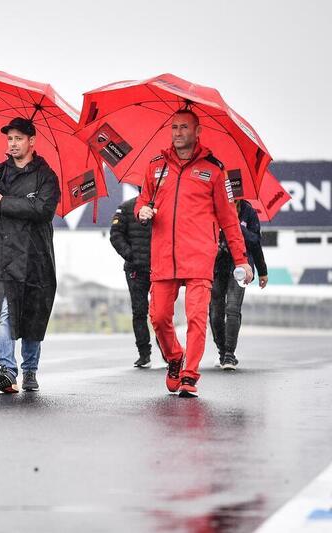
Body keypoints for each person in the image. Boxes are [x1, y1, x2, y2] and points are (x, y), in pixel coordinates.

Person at [136, 109, 253, 398]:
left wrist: (241, 259)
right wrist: (142, 211)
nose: (178, 133)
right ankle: (175, 357)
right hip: (163, 255)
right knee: (159, 316)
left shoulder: (214, 170)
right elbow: (141, 200)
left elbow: (229, 219)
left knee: (197, 317)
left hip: (200, 257)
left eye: (184, 128)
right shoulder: (155, 167)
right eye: (174, 127)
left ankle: (190, 375)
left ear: (197, 131)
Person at [0, 117, 61, 393]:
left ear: (32, 141)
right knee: (3, 314)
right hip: (0, 256)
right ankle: (7, 369)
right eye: (10, 138)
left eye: (19, 138)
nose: (13, 143)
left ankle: (30, 370)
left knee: (32, 315)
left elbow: (43, 210)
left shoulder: (46, 175)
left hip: (35, 256)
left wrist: (4, 201)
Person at [209, 199, 268, 370]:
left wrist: (262, 271)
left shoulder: (249, 212)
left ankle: (229, 354)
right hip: (216, 268)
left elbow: (255, 242)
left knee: (233, 310)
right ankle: (221, 351)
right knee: (215, 313)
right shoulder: (213, 206)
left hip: (240, 269)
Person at [110, 193, 155, 368]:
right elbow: (115, 235)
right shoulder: (126, 207)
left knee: (162, 314)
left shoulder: (165, 206)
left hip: (161, 269)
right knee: (139, 312)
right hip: (135, 270)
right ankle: (144, 354)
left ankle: (169, 354)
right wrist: (131, 256)